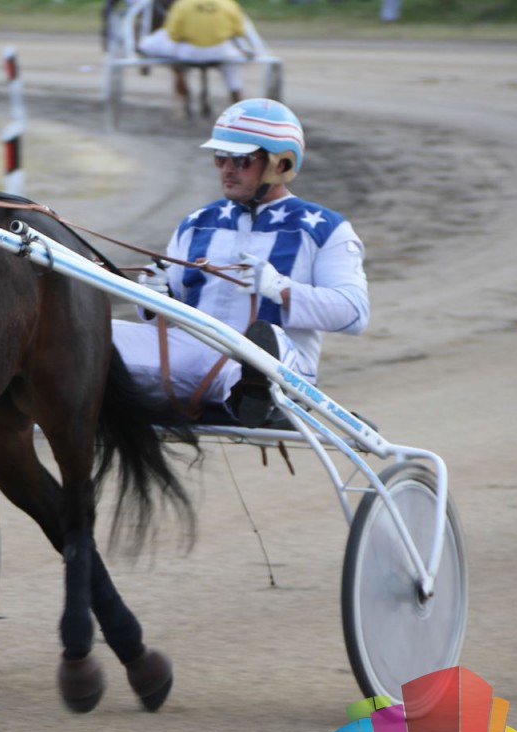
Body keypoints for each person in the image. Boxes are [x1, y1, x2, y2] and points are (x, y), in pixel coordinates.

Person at [112, 98, 369, 426]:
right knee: (98, 334)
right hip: (190, 355)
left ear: (281, 163)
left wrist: (281, 290)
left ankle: (253, 393)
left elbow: (354, 313)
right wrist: (154, 298)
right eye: (220, 158)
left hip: (274, 363)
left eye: (241, 160)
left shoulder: (326, 229)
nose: (227, 169)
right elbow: (165, 318)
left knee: (265, 346)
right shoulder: (197, 222)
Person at [137, 0, 252, 116]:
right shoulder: (228, 4)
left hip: (189, 52)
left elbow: (173, 34)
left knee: (149, 44)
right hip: (220, 51)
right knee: (231, 65)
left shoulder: (183, 4)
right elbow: (238, 31)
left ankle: (180, 97)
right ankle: (237, 97)